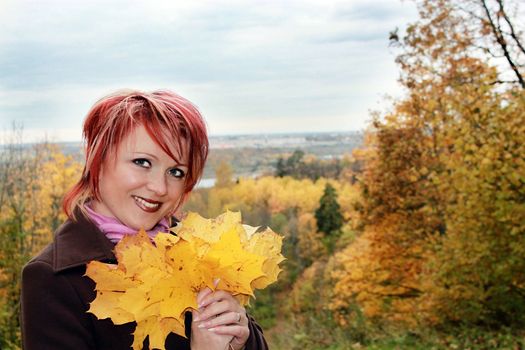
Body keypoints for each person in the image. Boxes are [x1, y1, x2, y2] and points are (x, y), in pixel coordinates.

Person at [20, 90, 269, 350]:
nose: (160, 188)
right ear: (98, 159)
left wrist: (244, 339)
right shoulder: (53, 278)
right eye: (142, 162)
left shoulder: (193, 249)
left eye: (176, 171)